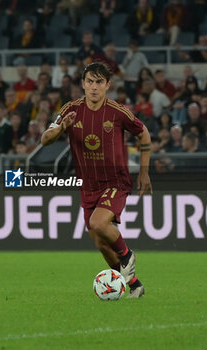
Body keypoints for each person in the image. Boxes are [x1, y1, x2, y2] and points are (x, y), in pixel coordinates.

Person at [41, 62, 152, 298]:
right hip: (88, 185)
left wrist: (144, 171)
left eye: (99, 82)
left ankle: (127, 255)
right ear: (82, 84)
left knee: (100, 223)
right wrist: (62, 129)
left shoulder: (118, 111)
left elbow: (143, 132)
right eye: (89, 81)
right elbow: (44, 139)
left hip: (115, 181)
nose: (93, 87)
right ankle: (133, 285)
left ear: (108, 85)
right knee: (100, 242)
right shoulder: (70, 109)